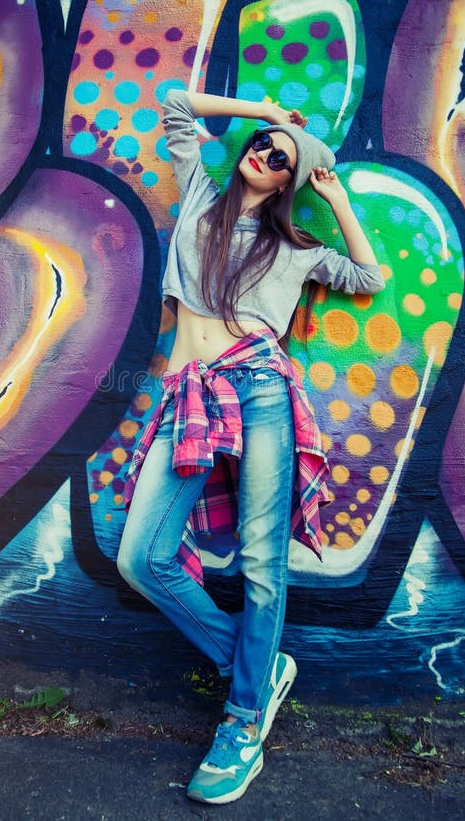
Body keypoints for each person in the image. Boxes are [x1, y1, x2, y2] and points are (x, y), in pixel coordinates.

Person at [117, 88, 384, 804]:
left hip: (261, 388)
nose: (264, 155)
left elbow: (367, 278)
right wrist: (261, 109)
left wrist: (338, 199)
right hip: (187, 395)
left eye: (280, 159)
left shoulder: (295, 249)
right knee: (140, 558)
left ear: (288, 184)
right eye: (264, 146)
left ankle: (241, 724)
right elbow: (177, 106)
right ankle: (259, 670)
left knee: (264, 560)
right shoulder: (199, 194)